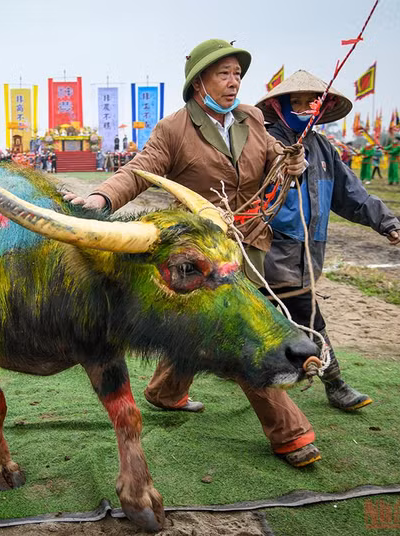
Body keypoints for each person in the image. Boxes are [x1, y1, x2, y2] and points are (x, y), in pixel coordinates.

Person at [64, 39, 319, 467]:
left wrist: (292, 163)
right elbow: (138, 171)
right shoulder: (174, 129)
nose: (234, 82)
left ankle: (166, 391)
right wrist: (101, 199)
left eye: (238, 74)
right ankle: (290, 433)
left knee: (203, 329)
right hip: (199, 257)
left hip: (249, 242)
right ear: (199, 81)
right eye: (224, 74)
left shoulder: (253, 118)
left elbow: (275, 159)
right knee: (240, 335)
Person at [256, 70, 400, 411]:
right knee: (309, 320)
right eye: (296, 102)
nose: (304, 108)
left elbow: (351, 194)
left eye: (311, 102)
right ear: (278, 107)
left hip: (307, 254)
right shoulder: (265, 144)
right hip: (269, 252)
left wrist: (385, 221)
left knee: (255, 323)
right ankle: (335, 384)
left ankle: (168, 387)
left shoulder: (324, 149)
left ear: (322, 107)